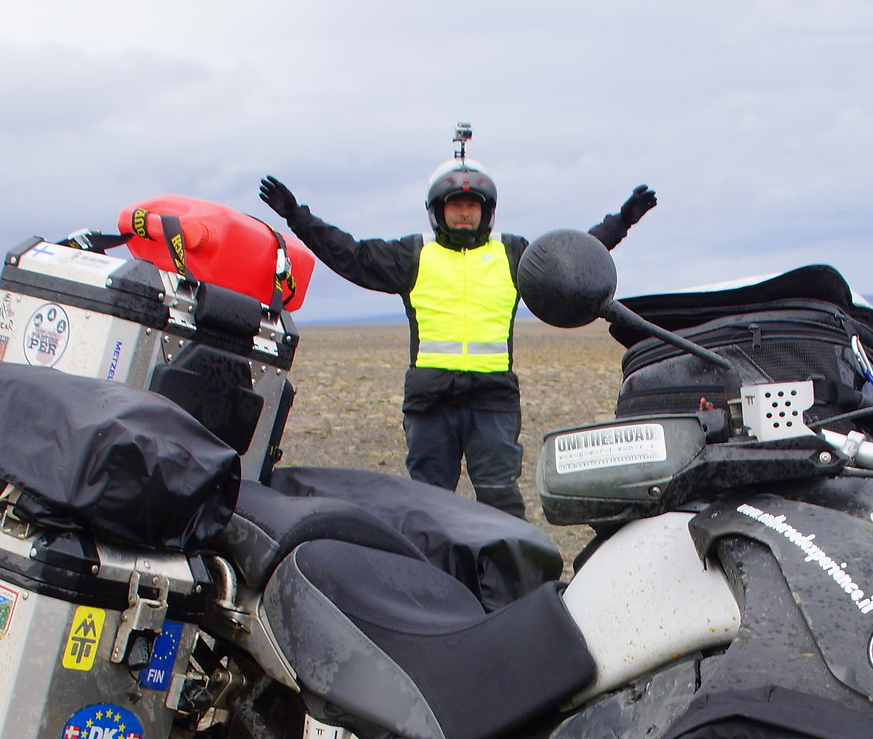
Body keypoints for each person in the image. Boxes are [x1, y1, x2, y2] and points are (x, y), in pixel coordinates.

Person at [258, 157, 655, 518]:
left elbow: (570, 262)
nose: (464, 214)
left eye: (472, 206)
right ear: (437, 212)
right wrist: (298, 217)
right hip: (430, 403)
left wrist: (622, 221)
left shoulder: (513, 254)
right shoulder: (413, 255)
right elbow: (351, 255)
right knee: (427, 504)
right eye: (455, 206)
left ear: (487, 212)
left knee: (499, 499)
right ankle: (430, 583)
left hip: (492, 400)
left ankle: (509, 586)